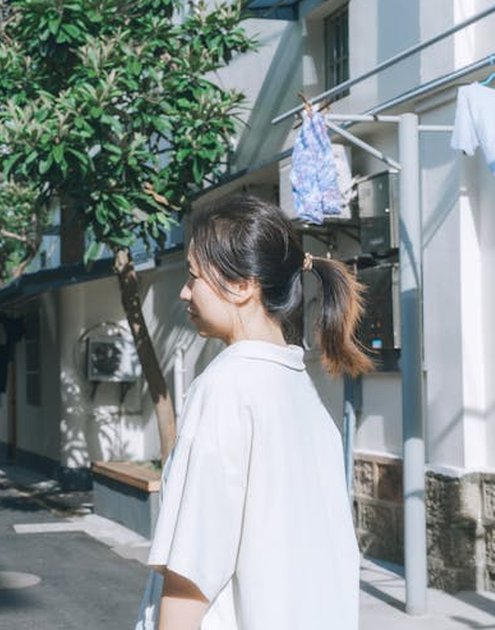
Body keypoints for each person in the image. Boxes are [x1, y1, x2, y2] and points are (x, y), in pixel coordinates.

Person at [143, 196, 372, 629]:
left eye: (194, 276)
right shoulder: (300, 389)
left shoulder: (227, 387)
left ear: (244, 285)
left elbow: (192, 572)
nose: (184, 291)